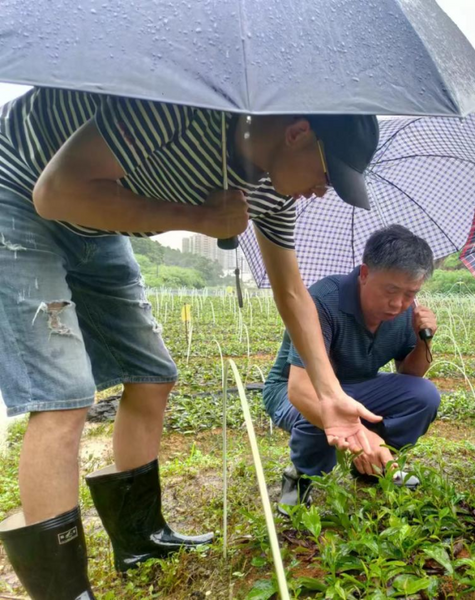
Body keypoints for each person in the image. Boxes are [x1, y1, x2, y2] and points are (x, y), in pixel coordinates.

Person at [0, 87, 381, 599]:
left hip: (96, 222)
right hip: (18, 190)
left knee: (153, 375)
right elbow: (55, 194)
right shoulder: (177, 106)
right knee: (65, 395)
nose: (321, 192)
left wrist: (329, 390)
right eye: (326, 174)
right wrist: (200, 219)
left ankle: (140, 538)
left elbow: (292, 292)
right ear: (297, 133)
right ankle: (66, 592)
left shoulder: (273, 192)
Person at [263, 225, 441, 510]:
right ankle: (302, 475)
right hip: (295, 391)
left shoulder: (407, 312)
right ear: (365, 274)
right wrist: (362, 433)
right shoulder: (323, 300)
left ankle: (377, 462)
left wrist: (423, 340)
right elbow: (300, 390)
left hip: (359, 388)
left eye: (410, 293)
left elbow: (409, 375)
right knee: (322, 408)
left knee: (423, 395)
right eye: (391, 290)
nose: (398, 304)